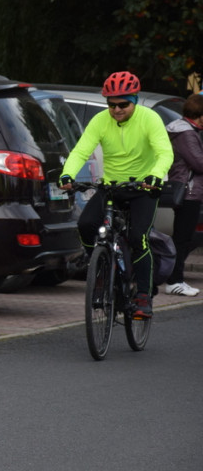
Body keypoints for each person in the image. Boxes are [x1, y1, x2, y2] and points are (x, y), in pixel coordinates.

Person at [58, 71, 174, 318]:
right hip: (112, 187)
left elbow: (165, 152)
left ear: (135, 99)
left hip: (144, 188)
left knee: (138, 238)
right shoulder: (100, 120)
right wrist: (67, 174)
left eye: (123, 104)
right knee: (86, 224)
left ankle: (143, 296)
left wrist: (156, 174)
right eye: (111, 105)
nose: (117, 110)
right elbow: (80, 150)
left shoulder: (150, 119)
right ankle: (99, 268)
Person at [163, 93, 203, 296]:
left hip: (189, 191)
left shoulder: (186, 130)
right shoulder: (186, 134)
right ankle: (174, 280)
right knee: (182, 238)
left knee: (183, 237)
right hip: (188, 191)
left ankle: (175, 278)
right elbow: (198, 163)